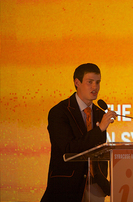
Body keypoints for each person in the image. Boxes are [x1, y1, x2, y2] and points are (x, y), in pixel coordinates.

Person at [41, 63, 117, 202]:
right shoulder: (60, 112)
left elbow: (98, 152)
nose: (95, 87)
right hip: (66, 188)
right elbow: (69, 148)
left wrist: (106, 184)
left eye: (98, 82)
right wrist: (99, 130)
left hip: (95, 188)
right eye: (90, 82)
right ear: (77, 82)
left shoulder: (99, 113)